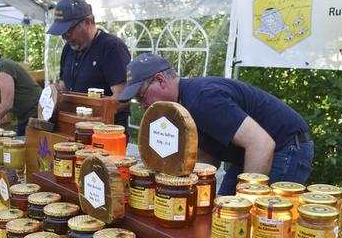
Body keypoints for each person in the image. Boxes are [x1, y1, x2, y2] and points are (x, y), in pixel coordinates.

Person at [118, 54, 314, 195]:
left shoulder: (202, 99)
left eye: (141, 97)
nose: (143, 105)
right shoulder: (181, 108)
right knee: (220, 212)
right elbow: (207, 160)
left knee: (250, 220)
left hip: (286, 148)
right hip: (248, 153)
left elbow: (261, 144)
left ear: (160, 81)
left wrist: (245, 202)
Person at [46, 0, 131, 135]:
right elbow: (63, 85)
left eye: (68, 30)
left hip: (105, 135)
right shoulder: (68, 49)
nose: (64, 36)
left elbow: (123, 96)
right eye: (62, 32)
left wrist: (96, 112)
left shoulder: (112, 47)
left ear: (87, 22)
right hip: (71, 130)